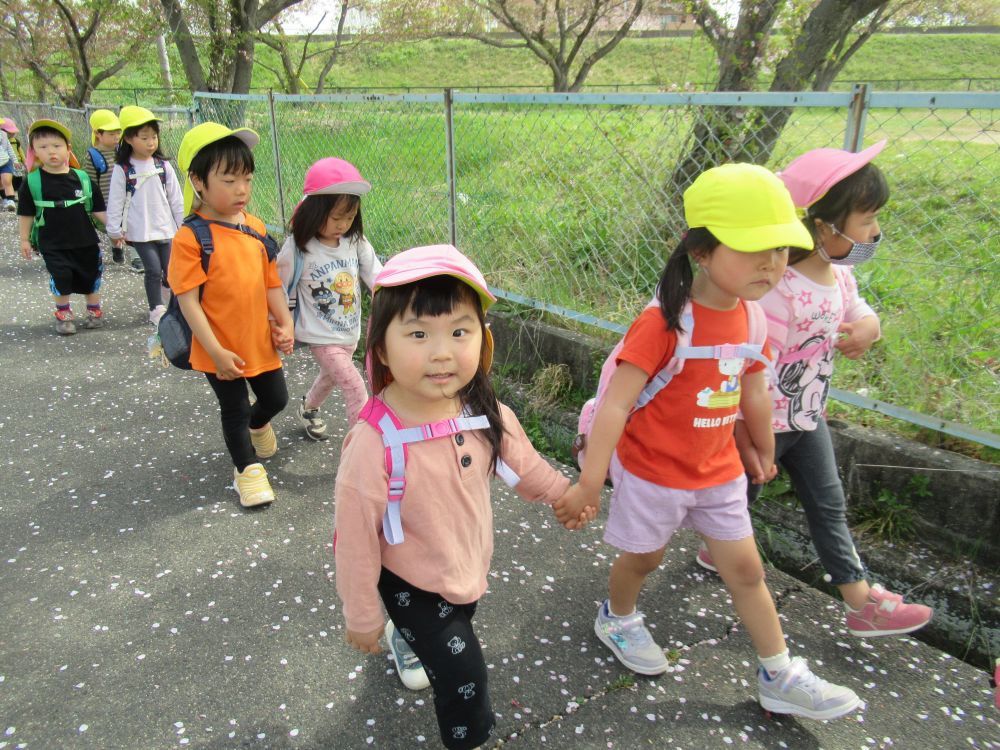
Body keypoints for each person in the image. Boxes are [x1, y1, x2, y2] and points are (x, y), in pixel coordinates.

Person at [554, 163, 862, 721]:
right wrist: (590, 481)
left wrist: (761, 446)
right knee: (644, 558)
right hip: (652, 471)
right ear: (701, 251)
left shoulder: (752, 320)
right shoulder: (664, 325)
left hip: (718, 469)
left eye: (779, 249)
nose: (771, 264)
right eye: (753, 249)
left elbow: (754, 387)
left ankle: (779, 672)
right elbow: (618, 404)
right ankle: (617, 617)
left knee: (747, 570)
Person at [334, 245, 588, 749]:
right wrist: (362, 612)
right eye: (418, 334)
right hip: (407, 579)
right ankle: (469, 738)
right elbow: (355, 536)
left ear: (482, 338)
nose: (443, 351)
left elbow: (525, 462)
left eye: (459, 331)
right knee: (463, 672)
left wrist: (564, 493)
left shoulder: (482, 407)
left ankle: (411, 642)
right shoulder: (374, 441)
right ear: (381, 348)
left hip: (464, 563)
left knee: (458, 626)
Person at [695, 142, 933, 638]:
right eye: (867, 221)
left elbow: (858, 309)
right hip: (765, 420)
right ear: (824, 225)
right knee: (742, 492)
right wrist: (749, 436)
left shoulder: (839, 277)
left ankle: (860, 600)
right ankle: (717, 544)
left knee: (827, 504)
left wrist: (869, 325)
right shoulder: (779, 291)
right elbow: (752, 373)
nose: (875, 233)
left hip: (808, 416)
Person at [166, 122, 293, 508]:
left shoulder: (254, 228)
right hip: (216, 347)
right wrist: (216, 352)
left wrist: (284, 321)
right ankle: (247, 472)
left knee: (277, 399)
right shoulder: (190, 238)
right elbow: (188, 302)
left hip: (258, 340)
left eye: (247, 179)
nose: (241, 190)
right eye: (229, 179)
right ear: (198, 181)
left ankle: (259, 425)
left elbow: (271, 282)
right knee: (234, 409)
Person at [276, 157, 382, 441]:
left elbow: (378, 278)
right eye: (336, 218)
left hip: (350, 331)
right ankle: (362, 449)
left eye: (350, 217)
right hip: (320, 335)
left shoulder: (355, 242)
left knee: (331, 377)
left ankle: (309, 408)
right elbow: (276, 287)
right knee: (353, 384)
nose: (343, 224)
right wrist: (277, 325)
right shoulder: (298, 249)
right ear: (315, 211)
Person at [17, 119, 108, 335]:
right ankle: (64, 314)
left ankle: (94, 311)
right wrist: (24, 239)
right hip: (52, 241)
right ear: (35, 152)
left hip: (85, 239)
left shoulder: (83, 179)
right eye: (44, 147)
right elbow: (26, 213)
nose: (51, 152)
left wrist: (117, 230)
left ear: (68, 149)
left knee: (91, 275)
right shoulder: (32, 182)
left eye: (57, 146)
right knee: (61, 276)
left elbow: (97, 209)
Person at [107, 106, 184, 325]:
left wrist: (183, 226)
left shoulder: (163, 166)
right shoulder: (123, 169)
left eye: (154, 137)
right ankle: (156, 309)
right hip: (140, 230)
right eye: (144, 138)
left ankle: (174, 306)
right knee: (153, 269)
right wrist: (114, 230)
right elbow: (115, 201)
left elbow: (176, 199)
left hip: (166, 228)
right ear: (129, 138)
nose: (151, 142)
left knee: (171, 271)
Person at [83, 109, 123, 263]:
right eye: (111, 134)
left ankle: (135, 255)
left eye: (118, 133)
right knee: (112, 228)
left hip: (124, 198)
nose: (116, 137)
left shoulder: (121, 152)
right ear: (98, 134)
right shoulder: (93, 156)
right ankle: (116, 247)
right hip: (105, 202)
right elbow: (91, 183)